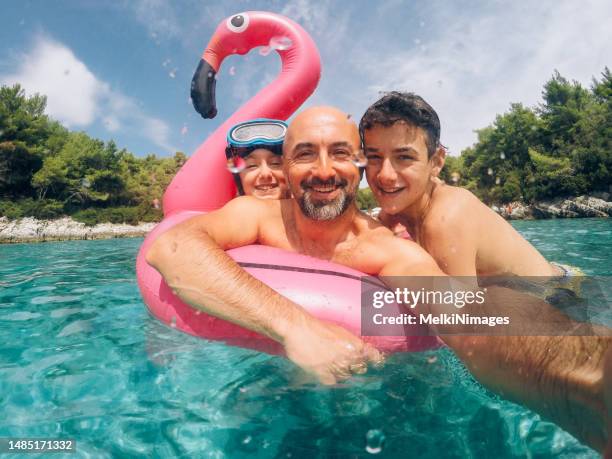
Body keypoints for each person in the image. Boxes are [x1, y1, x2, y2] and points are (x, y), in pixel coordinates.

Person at [146, 106, 610, 454]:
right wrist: (298, 328)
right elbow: (172, 249)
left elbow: (466, 317)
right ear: (286, 170)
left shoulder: (386, 250)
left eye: (341, 154)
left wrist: (588, 375)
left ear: (360, 169)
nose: (325, 170)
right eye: (306, 154)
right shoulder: (256, 216)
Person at [360, 92, 564, 277]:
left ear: (437, 161)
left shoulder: (445, 219)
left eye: (404, 157)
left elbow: (461, 315)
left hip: (559, 291)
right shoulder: (397, 207)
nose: (385, 175)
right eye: (374, 157)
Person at [225, 118, 290, 200]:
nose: (265, 173)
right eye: (252, 165)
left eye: (275, 163)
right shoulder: (228, 212)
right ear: (239, 178)